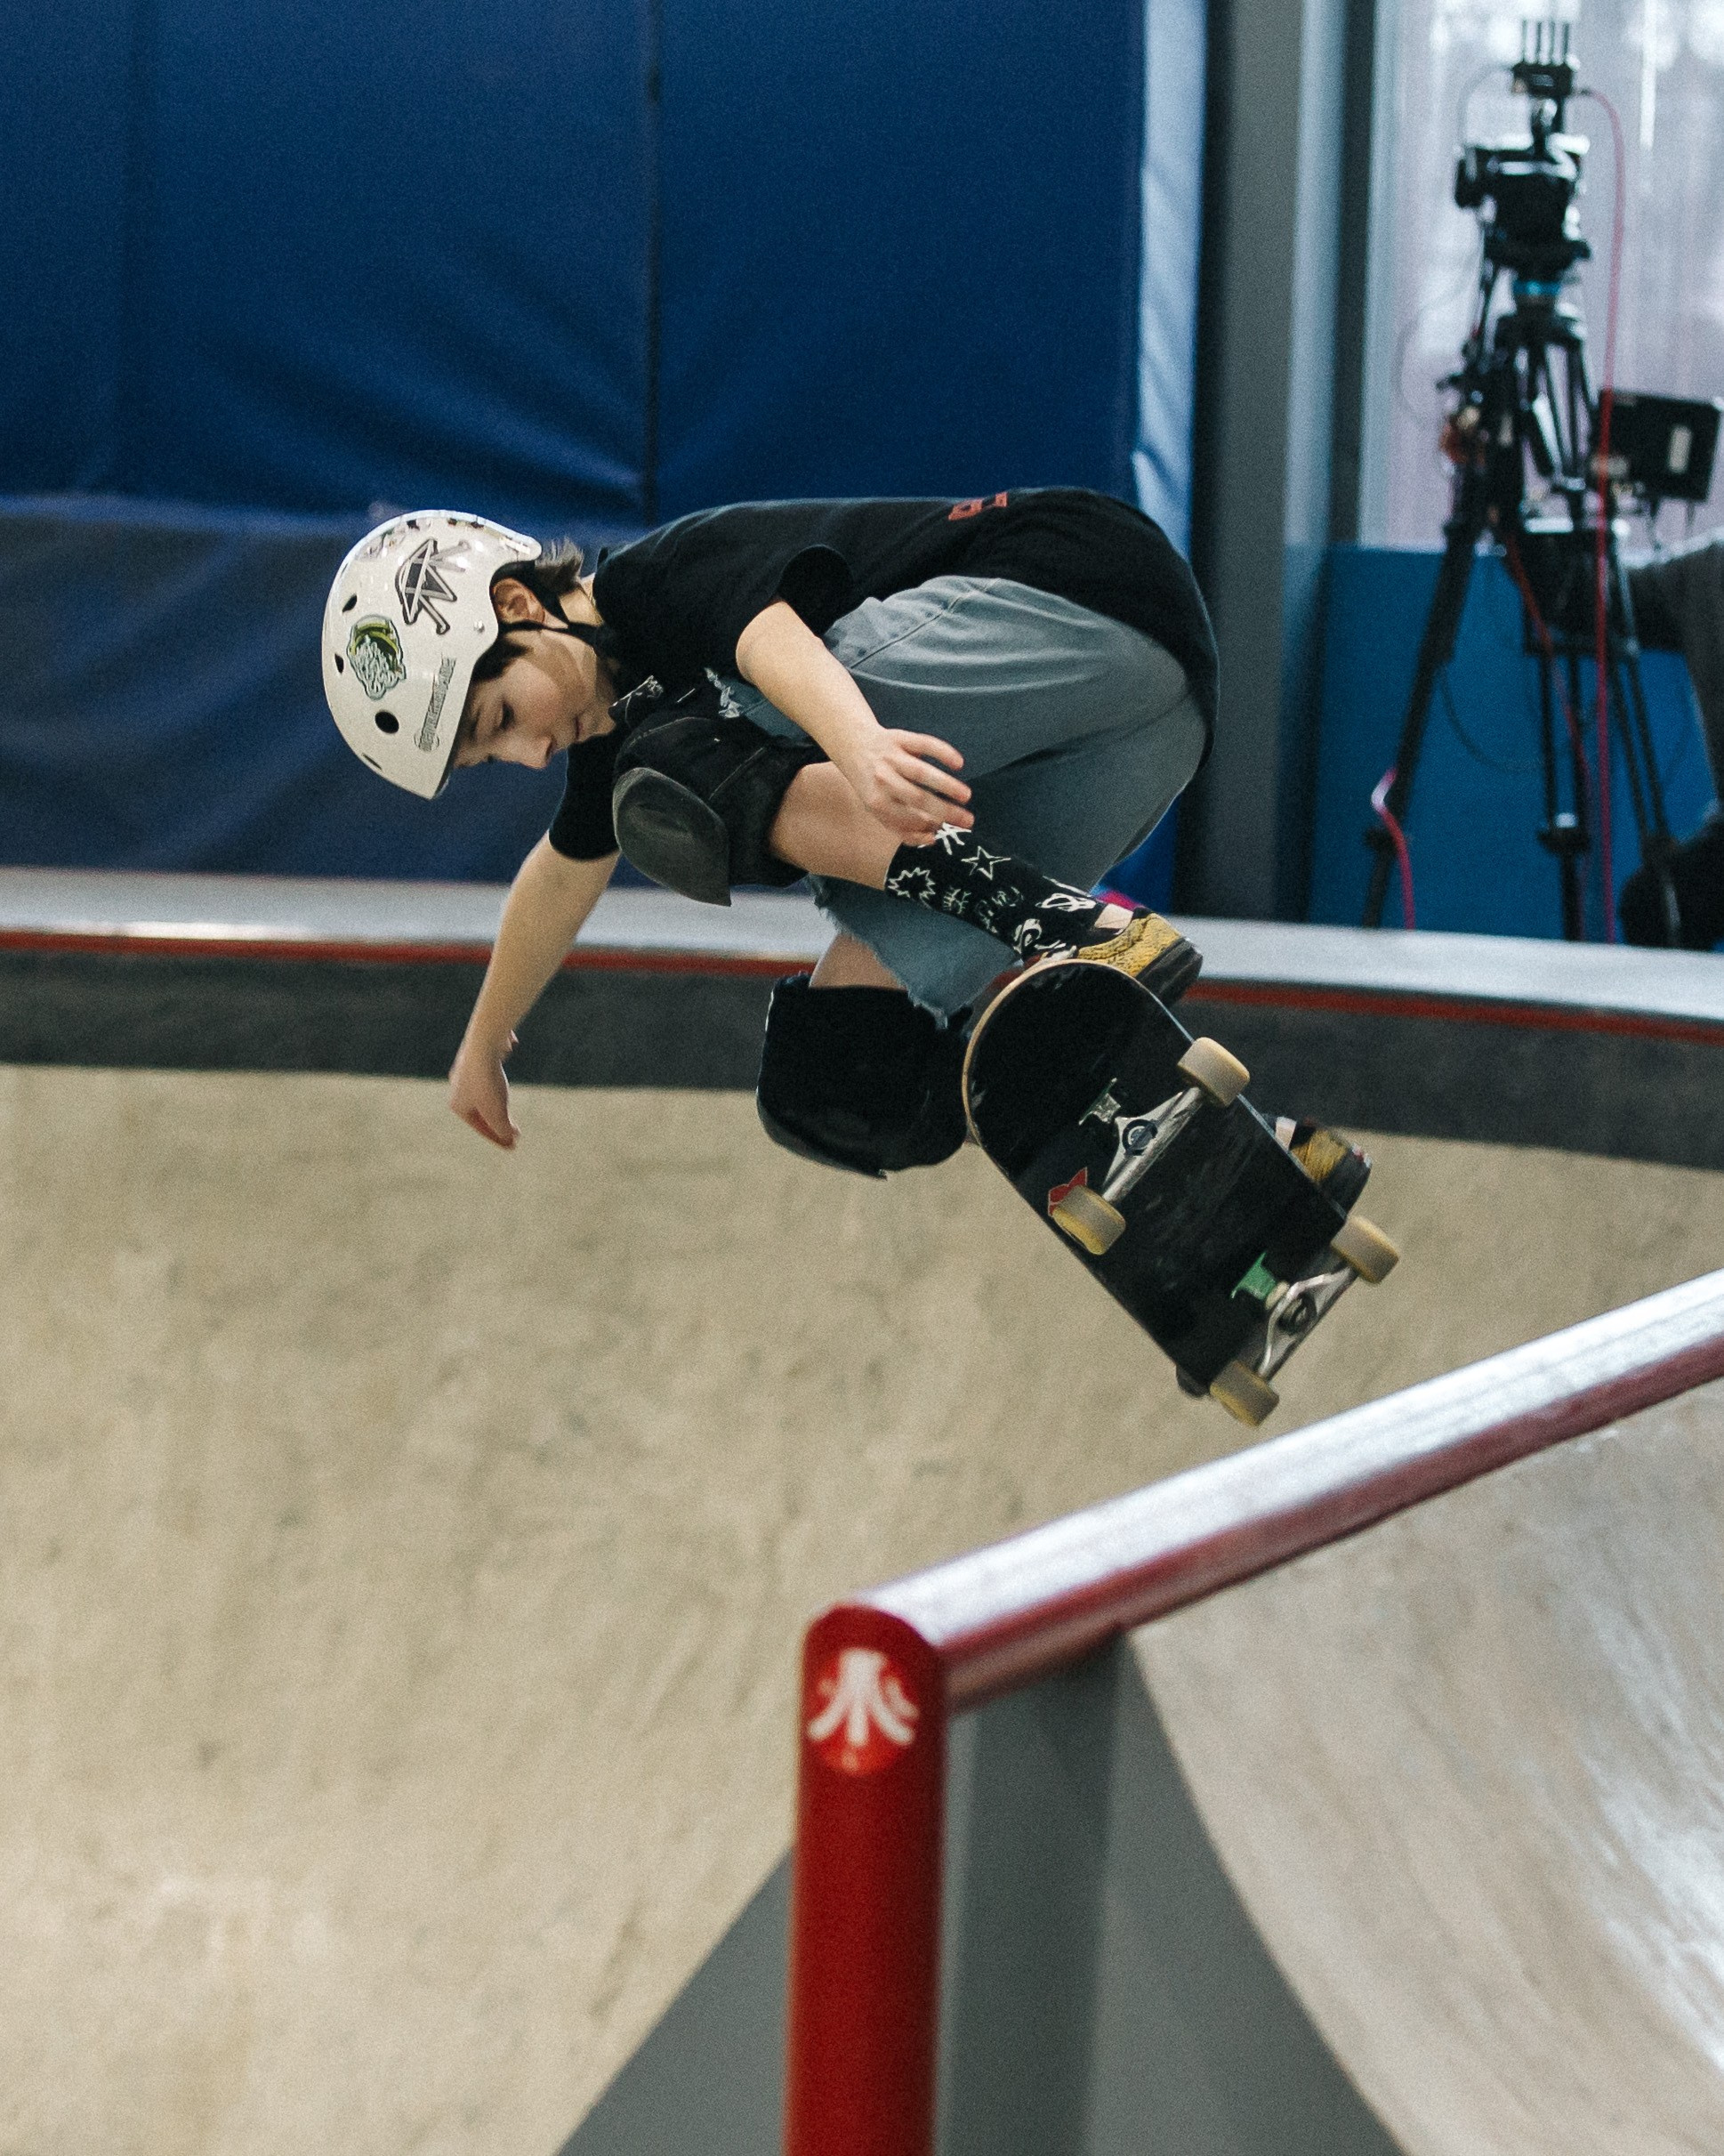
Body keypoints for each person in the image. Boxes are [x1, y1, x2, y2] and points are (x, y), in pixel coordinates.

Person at [320, 492, 1365, 1194]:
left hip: (1086, 598)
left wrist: (854, 742)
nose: (534, 752)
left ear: (518, 606)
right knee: (835, 1075)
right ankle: (1239, 1173)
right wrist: (481, 1039)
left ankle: (1047, 921)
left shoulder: (657, 583)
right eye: (491, 759)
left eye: (503, 718)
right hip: (1141, 737)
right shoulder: (617, 732)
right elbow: (559, 877)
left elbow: (764, 637)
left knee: (678, 768)